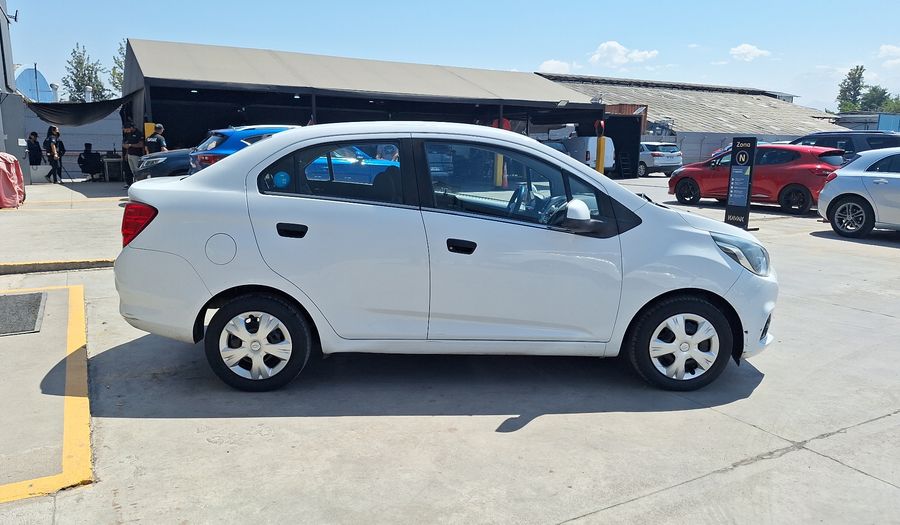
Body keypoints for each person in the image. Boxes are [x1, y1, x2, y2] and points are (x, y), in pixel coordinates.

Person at [122, 122, 144, 188]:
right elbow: (127, 143)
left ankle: (140, 183)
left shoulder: (138, 133)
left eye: (127, 129)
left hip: (136, 154)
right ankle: (134, 183)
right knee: (132, 171)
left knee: (137, 170)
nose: (126, 131)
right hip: (130, 154)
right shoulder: (129, 134)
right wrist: (126, 153)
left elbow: (141, 144)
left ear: (131, 128)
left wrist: (130, 145)